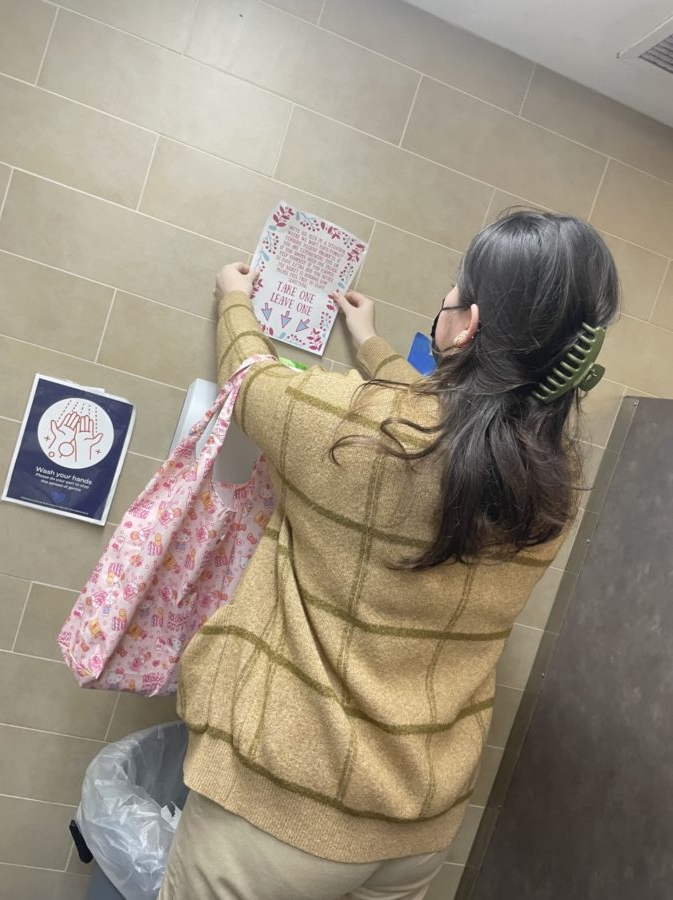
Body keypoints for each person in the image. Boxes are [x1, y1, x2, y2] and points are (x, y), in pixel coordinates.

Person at [159, 211, 619, 899]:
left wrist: (233, 297)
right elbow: (449, 422)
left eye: (453, 292)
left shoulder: (352, 429)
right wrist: (370, 341)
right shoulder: (552, 483)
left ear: (466, 325)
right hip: (416, 832)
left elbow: (252, 380)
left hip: (281, 817)